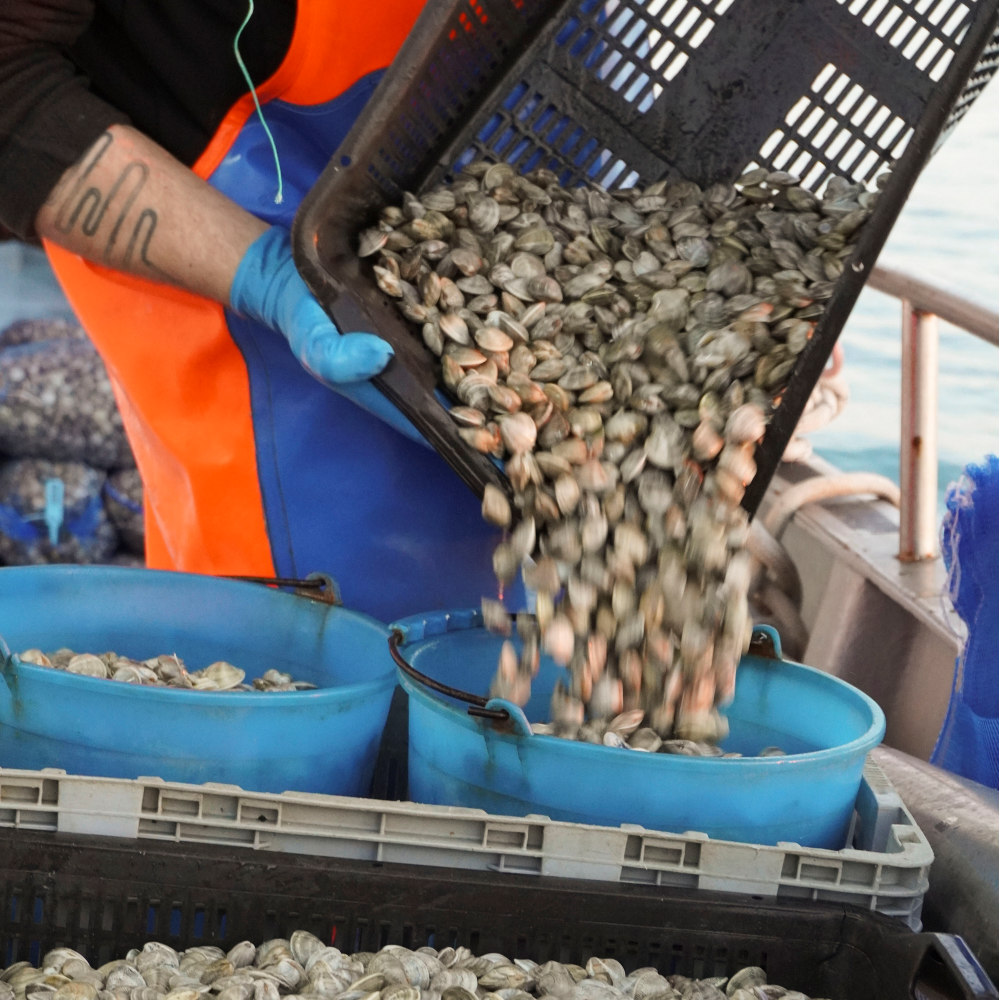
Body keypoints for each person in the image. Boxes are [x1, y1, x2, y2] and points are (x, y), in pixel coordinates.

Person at [0, 1, 522, 623]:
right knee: (320, 677)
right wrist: (264, 278)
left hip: (531, 256)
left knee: (568, 654)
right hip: (255, 362)